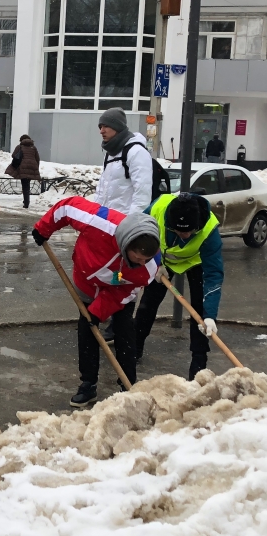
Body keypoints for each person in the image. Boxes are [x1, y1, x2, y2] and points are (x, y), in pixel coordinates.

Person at [31, 196, 161, 407]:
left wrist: (99, 310)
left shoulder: (148, 267)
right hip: (86, 281)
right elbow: (66, 208)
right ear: (125, 244)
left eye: (146, 259)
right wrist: (43, 228)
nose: (141, 263)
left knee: (125, 331)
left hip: (119, 292)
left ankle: (128, 384)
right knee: (87, 330)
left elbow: (127, 291)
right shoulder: (100, 222)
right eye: (137, 257)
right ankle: (88, 384)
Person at [135, 192, 224, 381]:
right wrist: (155, 265)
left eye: (188, 231)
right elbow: (137, 237)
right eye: (178, 231)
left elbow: (214, 274)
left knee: (199, 314)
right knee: (148, 303)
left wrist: (210, 316)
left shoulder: (209, 230)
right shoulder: (157, 209)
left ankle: (199, 364)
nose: (183, 236)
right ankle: (134, 348)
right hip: (162, 263)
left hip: (196, 262)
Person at [93, 107, 153, 343]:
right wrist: (95, 217)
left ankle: (119, 329)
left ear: (117, 127)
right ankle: (110, 321)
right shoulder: (110, 153)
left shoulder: (136, 152)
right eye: (100, 126)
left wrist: (131, 228)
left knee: (125, 277)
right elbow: (103, 190)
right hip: (107, 225)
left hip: (125, 228)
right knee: (108, 274)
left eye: (105, 126)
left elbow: (141, 194)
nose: (101, 130)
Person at [5, 134, 41, 209]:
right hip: (32, 167)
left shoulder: (20, 146)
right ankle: (26, 201)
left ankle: (26, 203)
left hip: (23, 167)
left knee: (25, 185)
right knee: (27, 185)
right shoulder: (33, 148)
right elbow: (37, 158)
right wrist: (36, 168)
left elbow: (14, 155)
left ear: (21, 140)